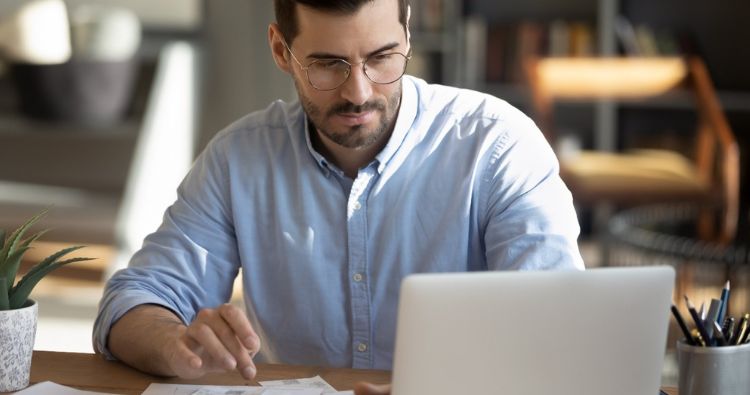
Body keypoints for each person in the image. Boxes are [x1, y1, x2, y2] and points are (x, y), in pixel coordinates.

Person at [93, 0, 584, 392]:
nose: (358, 92)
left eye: (381, 58)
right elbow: (132, 301)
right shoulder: (237, 158)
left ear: (408, 35)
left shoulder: (497, 146)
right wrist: (174, 342)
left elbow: (557, 325)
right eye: (327, 65)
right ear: (281, 51)